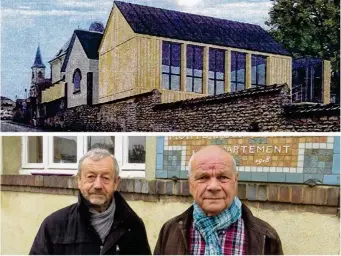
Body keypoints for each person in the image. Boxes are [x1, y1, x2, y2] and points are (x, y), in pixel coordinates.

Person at [154, 145, 283, 255]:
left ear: (235, 180)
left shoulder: (266, 236)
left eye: (223, 177)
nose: (213, 187)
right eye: (203, 177)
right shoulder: (170, 230)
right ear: (190, 183)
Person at [30, 148, 151, 255]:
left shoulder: (134, 226)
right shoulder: (54, 225)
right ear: (79, 181)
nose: (98, 185)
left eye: (105, 178)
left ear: (116, 183)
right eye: (91, 177)